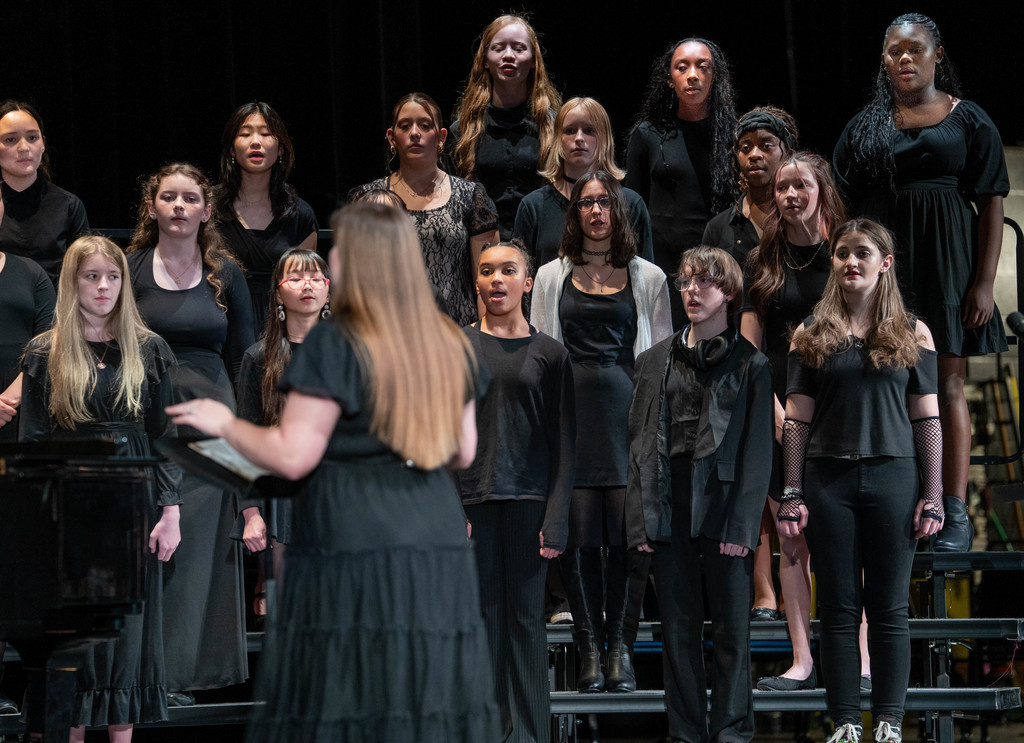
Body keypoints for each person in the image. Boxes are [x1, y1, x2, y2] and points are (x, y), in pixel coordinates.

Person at [167, 201, 501, 742]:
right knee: (419, 691)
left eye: (340, 249)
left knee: (357, 692)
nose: (332, 258)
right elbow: (462, 451)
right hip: (433, 533)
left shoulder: (336, 343)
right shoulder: (448, 340)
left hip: (357, 531)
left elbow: (293, 454)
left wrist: (221, 426)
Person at [833, 12, 1009, 553]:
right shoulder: (868, 123)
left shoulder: (968, 119)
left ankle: (951, 510)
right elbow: (837, 194)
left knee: (947, 386)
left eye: (914, 49)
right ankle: (900, 502)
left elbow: (992, 202)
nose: (903, 59)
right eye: (893, 52)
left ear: (936, 54)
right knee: (891, 386)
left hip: (948, 264)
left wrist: (983, 283)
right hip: (887, 268)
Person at [780, 217, 944, 743]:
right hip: (828, 480)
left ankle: (890, 722)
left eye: (863, 253)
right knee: (840, 605)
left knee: (890, 605)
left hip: (894, 476)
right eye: (843, 252)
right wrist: (791, 490)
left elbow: (928, 418)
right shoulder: (810, 332)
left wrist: (934, 493)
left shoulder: (912, 331)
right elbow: (797, 419)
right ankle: (847, 720)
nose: (851, 261)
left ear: (885, 263)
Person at [19, 235, 182, 743]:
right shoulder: (45, 352)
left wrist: (170, 510)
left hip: (133, 498)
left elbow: (167, 436)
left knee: (125, 639)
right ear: (73, 282)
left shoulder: (149, 348)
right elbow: (34, 442)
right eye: (92, 276)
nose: (104, 286)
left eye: (112, 277)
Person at [532, 170, 672, 693]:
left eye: (604, 203)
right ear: (574, 213)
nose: (595, 211)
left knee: (632, 539)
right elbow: (542, 350)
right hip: (571, 417)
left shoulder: (649, 277)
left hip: (628, 417)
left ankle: (622, 650)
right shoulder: (549, 276)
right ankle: (589, 647)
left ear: (620, 211)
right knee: (580, 538)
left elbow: (659, 359)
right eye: (586, 203)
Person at [626, 246, 772, 743]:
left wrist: (742, 527)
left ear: (728, 291)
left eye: (704, 282)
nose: (691, 290)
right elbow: (641, 445)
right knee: (678, 632)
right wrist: (642, 519)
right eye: (685, 282)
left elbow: (757, 454)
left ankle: (731, 731)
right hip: (670, 502)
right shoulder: (653, 362)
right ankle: (685, 732)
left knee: (733, 631)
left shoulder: (751, 364)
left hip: (725, 504)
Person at [126, 163, 255, 703]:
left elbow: (245, 355)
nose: (179, 206)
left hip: (211, 411)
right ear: (151, 206)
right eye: (168, 197)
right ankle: (147, 672)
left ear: (206, 209)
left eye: (190, 198)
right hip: (146, 409)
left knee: (201, 546)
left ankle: (188, 675)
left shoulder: (226, 272)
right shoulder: (129, 269)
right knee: (155, 540)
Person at [740, 151, 850, 691]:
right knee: (793, 538)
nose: (788, 194)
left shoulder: (845, 253)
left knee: (846, 540)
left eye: (799, 184)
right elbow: (748, 347)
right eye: (782, 187)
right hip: (782, 411)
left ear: (821, 189)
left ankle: (859, 659)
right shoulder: (765, 259)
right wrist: (776, 408)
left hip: (842, 409)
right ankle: (802, 660)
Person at [459, 240, 575, 742]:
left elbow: (566, 443)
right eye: (487, 271)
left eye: (508, 270)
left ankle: (530, 735)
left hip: (529, 501)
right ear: (478, 283)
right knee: (484, 624)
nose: (497, 280)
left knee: (527, 625)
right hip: (471, 501)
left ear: (527, 282)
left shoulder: (550, 353)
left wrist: (558, 514)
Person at [702, 106, 799, 625]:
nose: (755, 154)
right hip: (740, 361)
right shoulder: (723, 226)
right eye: (746, 146)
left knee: (798, 481)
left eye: (766, 144)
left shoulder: (803, 214)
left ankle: (802, 587)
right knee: (755, 479)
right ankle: (763, 589)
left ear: (785, 151)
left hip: (799, 360)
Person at [235, 248, 331, 620]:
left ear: (327, 291)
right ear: (277, 293)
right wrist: (251, 512)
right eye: (295, 277)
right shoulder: (259, 358)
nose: (306, 284)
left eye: (315, 277)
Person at [350, 92, 499, 327]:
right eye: (405, 126)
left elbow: (487, 279)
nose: (415, 133)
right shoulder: (367, 198)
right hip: (387, 334)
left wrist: (483, 340)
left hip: (457, 335)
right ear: (391, 137)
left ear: (441, 137)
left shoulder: (470, 196)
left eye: (425, 125)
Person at [626, 38, 738, 328]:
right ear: (669, 79)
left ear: (715, 77)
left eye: (703, 67)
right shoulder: (647, 134)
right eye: (682, 67)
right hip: (661, 263)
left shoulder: (731, 136)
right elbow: (633, 207)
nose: (692, 75)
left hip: (716, 259)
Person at [0, 197, 55, 714]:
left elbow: (47, 336)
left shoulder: (30, 273)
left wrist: (12, 396)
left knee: (16, 556)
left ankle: (25, 687)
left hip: (19, 429)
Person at [449, 14, 561, 239]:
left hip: (542, 249)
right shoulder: (462, 132)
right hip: (484, 253)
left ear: (533, 61)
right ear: (484, 60)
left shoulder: (555, 126)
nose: (509, 55)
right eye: (499, 48)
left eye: (519, 48)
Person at [214, 102, 319, 337]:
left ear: (281, 148)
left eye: (265, 133)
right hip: (220, 323)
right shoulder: (208, 208)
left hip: (279, 327)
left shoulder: (299, 214)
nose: (255, 141)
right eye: (245, 133)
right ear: (232, 149)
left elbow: (304, 284)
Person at [513, 97, 653, 267]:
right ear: (558, 138)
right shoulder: (534, 206)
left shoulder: (631, 203)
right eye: (570, 130)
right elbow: (520, 279)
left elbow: (646, 278)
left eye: (589, 130)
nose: (579, 138)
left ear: (605, 139)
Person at [0, 100, 89, 287]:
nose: (24, 148)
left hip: (57, 312)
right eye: (10, 139)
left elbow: (85, 274)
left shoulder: (68, 205)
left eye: (32, 138)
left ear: (43, 144)